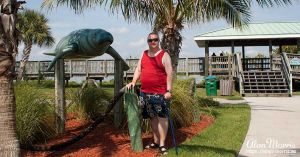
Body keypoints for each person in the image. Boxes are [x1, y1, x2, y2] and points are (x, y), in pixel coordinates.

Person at [126, 32, 173, 155]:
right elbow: (138, 69)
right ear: (148, 42)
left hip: (160, 93)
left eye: (155, 40)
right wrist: (133, 82)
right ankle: (156, 141)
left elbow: (169, 73)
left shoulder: (164, 55)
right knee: (152, 117)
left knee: (162, 117)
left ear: (159, 41)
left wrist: (168, 91)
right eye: (150, 40)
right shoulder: (144, 54)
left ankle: (162, 144)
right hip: (145, 92)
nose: (153, 42)